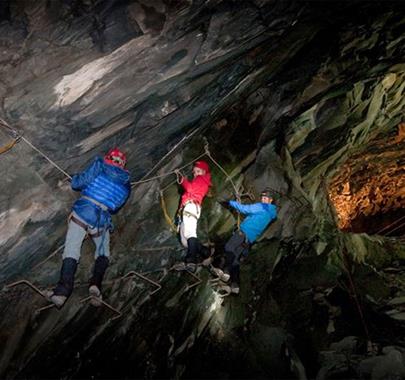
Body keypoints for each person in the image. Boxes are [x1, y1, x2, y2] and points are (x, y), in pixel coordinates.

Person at [46, 148, 131, 308]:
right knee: (103, 253)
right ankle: (96, 285)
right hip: (102, 220)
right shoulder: (126, 182)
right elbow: (116, 207)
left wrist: (74, 179)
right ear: (123, 164)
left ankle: (62, 292)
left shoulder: (100, 165)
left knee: (71, 250)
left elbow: (78, 183)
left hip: (84, 212)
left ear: (109, 158)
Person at [213, 188, 277, 294]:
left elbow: (245, 209)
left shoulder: (263, 207)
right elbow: (253, 215)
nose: (263, 200)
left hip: (243, 233)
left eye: (266, 198)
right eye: (263, 198)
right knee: (235, 259)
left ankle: (226, 271)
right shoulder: (271, 213)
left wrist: (229, 202)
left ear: (271, 200)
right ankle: (235, 284)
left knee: (228, 248)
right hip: (249, 240)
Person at [174, 160, 212, 272]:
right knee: (185, 241)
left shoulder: (201, 179)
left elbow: (189, 188)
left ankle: (191, 260)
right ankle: (205, 252)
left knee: (190, 233)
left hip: (191, 206)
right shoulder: (200, 180)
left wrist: (182, 178)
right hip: (188, 208)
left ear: (204, 172)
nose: (195, 173)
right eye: (194, 172)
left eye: (198, 171)